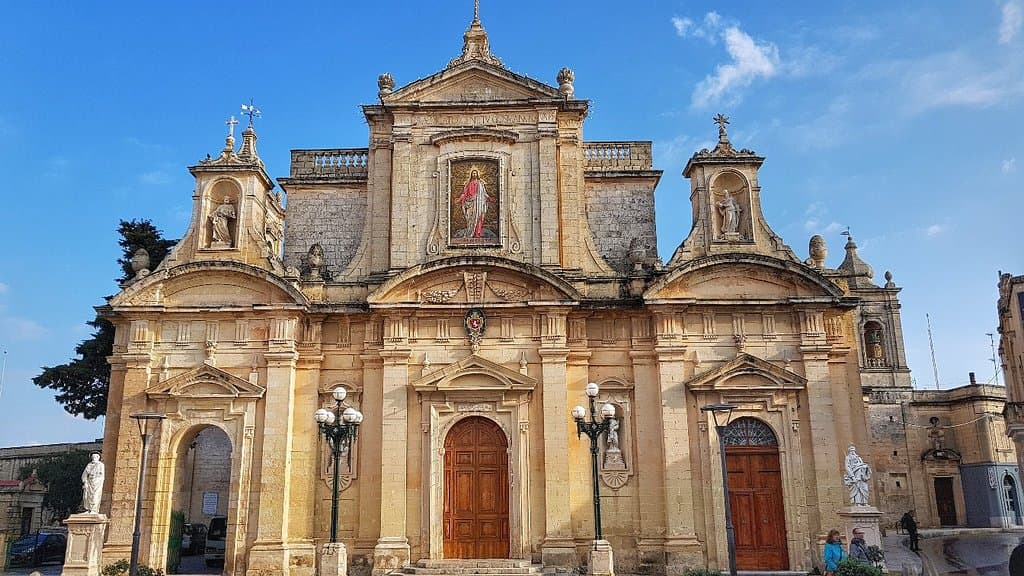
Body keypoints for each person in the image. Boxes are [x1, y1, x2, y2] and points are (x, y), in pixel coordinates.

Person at [457, 170, 492, 238]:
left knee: (479, 217)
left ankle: (477, 233)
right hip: (471, 203)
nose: (474, 174)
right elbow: (464, 193)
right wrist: (460, 199)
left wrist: (489, 198)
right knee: (471, 218)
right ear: (471, 175)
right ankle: (471, 232)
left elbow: (484, 193)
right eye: (473, 173)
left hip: (479, 203)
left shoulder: (480, 183)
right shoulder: (468, 184)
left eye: (475, 173)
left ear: (477, 174)